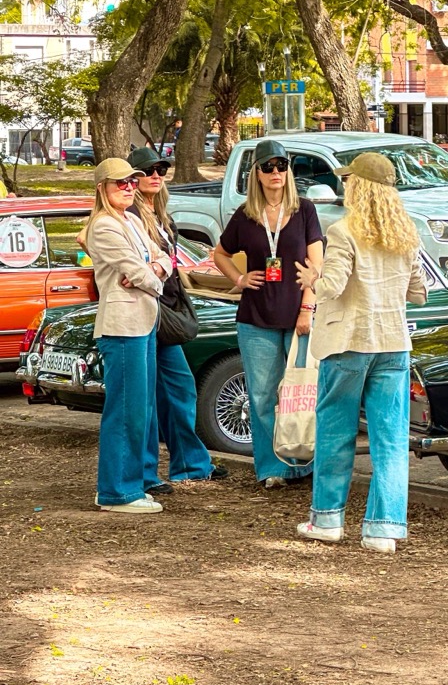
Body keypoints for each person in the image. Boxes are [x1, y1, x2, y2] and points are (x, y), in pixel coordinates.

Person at [295, 152, 428, 555]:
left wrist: (312, 278)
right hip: (392, 344)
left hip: (348, 342)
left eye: (348, 180)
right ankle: (383, 530)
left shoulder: (343, 231)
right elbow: (419, 293)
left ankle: (327, 520)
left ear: (359, 186)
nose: (344, 185)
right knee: (391, 440)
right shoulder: (406, 233)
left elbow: (332, 286)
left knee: (336, 434)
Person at [213, 139, 324, 489]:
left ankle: (305, 462)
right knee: (261, 396)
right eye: (268, 167)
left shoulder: (305, 210)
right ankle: (273, 468)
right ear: (257, 174)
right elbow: (220, 254)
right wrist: (239, 279)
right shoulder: (246, 215)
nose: (276, 172)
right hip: (256, 317)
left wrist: (307, 307)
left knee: (302, 394)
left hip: (298, 315)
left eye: (282, 165)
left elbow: (316, 266)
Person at [127, 147, 228, 494]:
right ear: (133, 178)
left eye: (161, 169)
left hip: (167, 311)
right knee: (145, 400)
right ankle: (145, 475)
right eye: (148, 171)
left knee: (180, 389)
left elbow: (171, 263)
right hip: (143, 311)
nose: (156, 176)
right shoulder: (129, 216)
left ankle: (190, 464)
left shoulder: (161, 215)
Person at [85, 158, 173, 514]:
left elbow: (165, 258)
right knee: (126, 411)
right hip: (122, 327)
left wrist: (152, 269)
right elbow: (140, 273)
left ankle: (131, 485)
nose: (128, 188)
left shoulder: (133, 220)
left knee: (142, 409)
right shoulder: (103, 226)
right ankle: (116, 492)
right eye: (120, 183)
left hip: (144, 322)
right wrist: (150, 275)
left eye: (132, 183)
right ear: (102, 188)